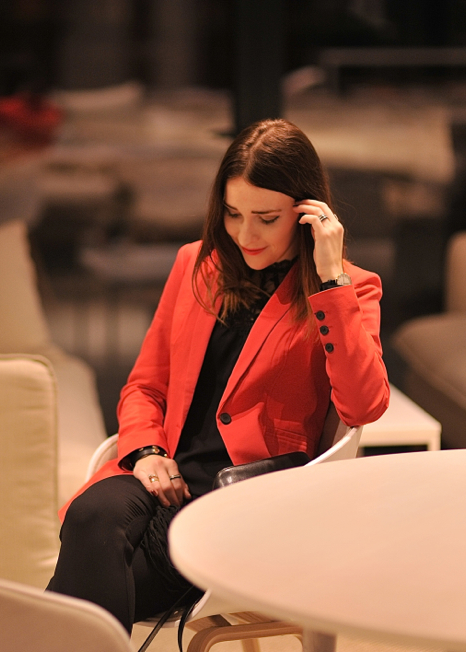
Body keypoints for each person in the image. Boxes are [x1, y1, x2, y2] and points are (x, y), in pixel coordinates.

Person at [46, 118, 390, 632]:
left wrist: (330, 279)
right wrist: (146, 451)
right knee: (90, 515)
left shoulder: (348, 289)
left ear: (308, 214)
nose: (245, 235)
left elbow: (364, 405)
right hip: (164, 472)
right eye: (232, 214)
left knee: (81, 590)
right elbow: (145, 385)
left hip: (241, 499)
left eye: (266, 219)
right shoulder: (196, 265)